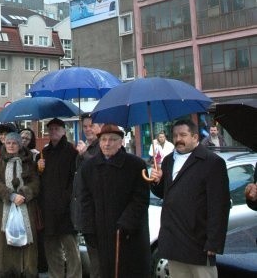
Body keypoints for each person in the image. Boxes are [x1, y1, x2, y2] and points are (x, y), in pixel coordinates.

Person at [150, 119, 230, 278]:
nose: (178, 139)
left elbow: (220, 205)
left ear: (195, 137)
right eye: (175, 135)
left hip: (198, 242)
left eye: (183, 135)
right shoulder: (168, 161)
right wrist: (156, 181)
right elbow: (166, 194)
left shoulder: (212, 162)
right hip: (174, 241)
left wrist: (214, 242)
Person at [79, 124, 150, 278]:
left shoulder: (136, 165)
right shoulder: (89, 167)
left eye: (112, 139)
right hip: (102, 234)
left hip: (129, 234)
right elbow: (85, 201)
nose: (107, 143)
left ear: (121, 142)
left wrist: (126, 223)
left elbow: (141, 199)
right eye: (103, 139)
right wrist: (88, 228)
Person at [37, 118, 81, 278]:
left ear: (64, 131)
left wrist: (65, 199)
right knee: (51, 249)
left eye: (57, 129)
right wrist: (39, 169)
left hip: (66, 210)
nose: (53, 131)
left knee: (71, 250)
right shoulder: (44, 153)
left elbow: (75, 181)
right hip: (47, 209)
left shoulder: (72, 152)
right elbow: (39, 182)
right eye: (51, 129)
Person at [0, 131, 40, 278]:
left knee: (27, 245)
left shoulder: (29, 162)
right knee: (5, 244)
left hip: (26, 209)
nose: (11, 146)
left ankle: (28, 272)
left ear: (20, 145)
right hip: (4, 211)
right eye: (8, 143)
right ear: (4, 145)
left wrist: (24, 194)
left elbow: (36, 183)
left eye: (14, 143)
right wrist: (11, 196)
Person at [72, 115, 102, 278]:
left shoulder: (101, 146)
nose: (88, 129)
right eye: (85, 127)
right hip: (85, 212)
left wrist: (84, 155)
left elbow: (100, 170)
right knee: (93, 261)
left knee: (99, 263)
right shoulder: (85, 147)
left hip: (98, 213)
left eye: (92, 125)